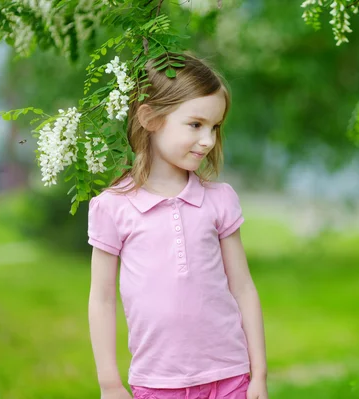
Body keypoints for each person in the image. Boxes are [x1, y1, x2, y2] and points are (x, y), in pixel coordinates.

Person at [87, 53, 268, 399]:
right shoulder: (113, 208)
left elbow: (243, 288)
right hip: (158, 383)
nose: (208, 141)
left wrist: (258, 373)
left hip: (230, 376)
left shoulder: (220, 200)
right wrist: (109, 382)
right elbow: (102, 298)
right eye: (196, 125)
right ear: (150, 118)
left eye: (214, 127)